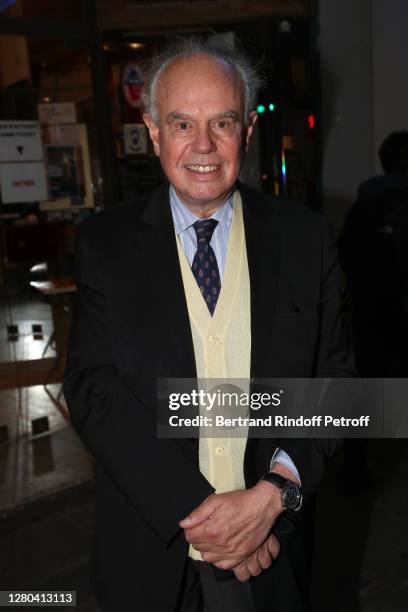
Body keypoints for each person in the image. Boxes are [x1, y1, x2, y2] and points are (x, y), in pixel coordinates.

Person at [63, 38, 354, 612]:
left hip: (273, 550)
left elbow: (339, 385)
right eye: (181, 123)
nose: (203, 145)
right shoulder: (106, 244)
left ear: (247, 132)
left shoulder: (306, 239)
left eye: (222, 122)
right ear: (152, 131)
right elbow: (93, 389)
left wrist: (272, 498)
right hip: (151, 549)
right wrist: (213, 522)